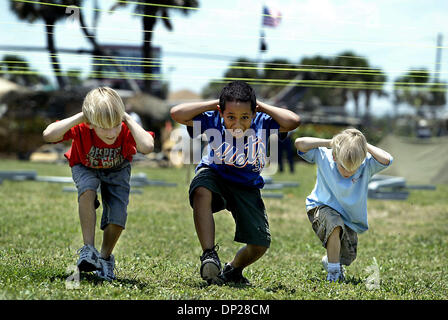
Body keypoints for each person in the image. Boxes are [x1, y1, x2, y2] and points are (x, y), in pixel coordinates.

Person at [170, 81, 301, 285]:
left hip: (247, 186)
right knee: (201, 188)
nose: (237, 123)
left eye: (245, 117)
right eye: (230, 116)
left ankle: (233, 269)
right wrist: (216, 104)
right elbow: (177, 113)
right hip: (216, 175)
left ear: (254, 114)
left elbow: (293, 121)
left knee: (259, 245)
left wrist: (261, 106)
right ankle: (209, 254)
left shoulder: (263, 121)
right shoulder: (213, 118)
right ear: (221, 113)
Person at [42, 87, 154, 281]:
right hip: (85, 166)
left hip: (118, 170)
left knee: (117, 218)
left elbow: (147, 147)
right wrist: (81, 117)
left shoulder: (125, 126)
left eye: (115, 125)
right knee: (87, 190)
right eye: (104, 126)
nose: (111, 133)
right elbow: (49, 135)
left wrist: (126, 119)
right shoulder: (83, 126)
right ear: (91, 123)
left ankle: (104, 257)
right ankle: (88, 249)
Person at [295, 128, 392, 283]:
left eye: (354, 169)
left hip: (349, 217)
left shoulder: (366, 164)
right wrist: (331, 143)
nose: (348, 172)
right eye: (344, 167)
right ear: (335, 156)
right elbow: (299, 143)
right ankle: (333, 274)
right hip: (320, 206)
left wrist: (363, 146)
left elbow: (386, 159)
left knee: (348, 256)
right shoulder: (324, 155)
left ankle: (331, 261)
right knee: (335, 225)